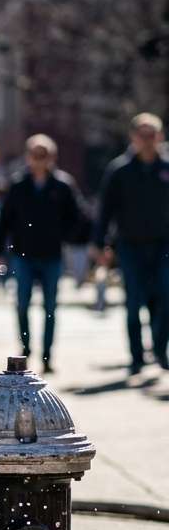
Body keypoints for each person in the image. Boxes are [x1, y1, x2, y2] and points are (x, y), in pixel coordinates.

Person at [0, 135, 82, 374]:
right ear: (28, 157)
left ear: (52, 157)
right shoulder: (18, 186)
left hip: (52, 255)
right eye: (34, 154)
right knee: (22, 304)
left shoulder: (62, 186)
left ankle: (48, 356)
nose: (39, 160)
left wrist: (69, 236)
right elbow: (4, 222)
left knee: (50, 307)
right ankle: (26, 347)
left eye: (44, 155)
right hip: (23, 255)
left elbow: (77, 218)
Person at [91, 113, 169, 376]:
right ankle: (137, 356)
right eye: (142, 135)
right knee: (133, 301)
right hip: (130, 246)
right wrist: (99, 243)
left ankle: (159, 349)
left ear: (159, 137)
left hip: (163, 246)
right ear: (133, 138)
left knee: (165, 297)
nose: (147, 141)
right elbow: (105, 210)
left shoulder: (166, 168)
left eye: (152, 135)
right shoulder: (120, 170)